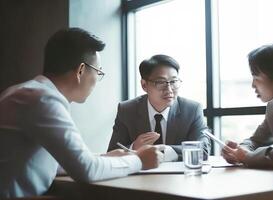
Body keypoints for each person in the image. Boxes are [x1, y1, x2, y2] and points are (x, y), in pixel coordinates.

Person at [0, 28, 160, 198]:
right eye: (98, 72)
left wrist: (105, 158)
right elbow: (86, 170)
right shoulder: (43, 100)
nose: (97, 80)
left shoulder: (24, 92)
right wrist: (140, 160)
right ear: (81, 70)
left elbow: (54, 163)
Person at [107, 54, 210, 161]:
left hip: (178, 177)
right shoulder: (127, 110)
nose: (169, 89)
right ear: (144, 85)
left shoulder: (192, 110)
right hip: (141, 176)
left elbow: (203, 150)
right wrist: (134, 147)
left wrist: (166, 151)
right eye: (160, 82)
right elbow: (111, 152)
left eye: (174, 81)